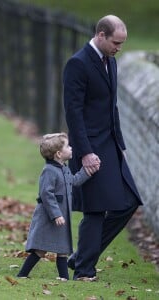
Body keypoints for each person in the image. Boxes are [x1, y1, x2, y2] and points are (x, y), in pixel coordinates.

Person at [63, 15, 143, 281]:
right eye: (116, 42)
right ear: (101, 35)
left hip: (110, 145)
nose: (119, 47)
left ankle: (81, 257)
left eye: (121, 43)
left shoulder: (112, 62)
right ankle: (84, 272)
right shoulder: (78, 63)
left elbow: (111, 106)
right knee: (95, 209)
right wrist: (85, 153)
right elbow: (73, 113)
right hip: (89, 147)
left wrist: (120, 143)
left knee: (129, 201)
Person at [17, 133, 98, 280]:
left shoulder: (64, 168)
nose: (71, 148)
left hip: (61, 217)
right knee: (41, 249)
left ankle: (64, 278)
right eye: (68, 146)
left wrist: (87, 171)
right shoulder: (49, 171)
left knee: (62, 249)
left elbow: (73, 181)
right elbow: (46, 194)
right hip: (49, 217)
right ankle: (22, 274)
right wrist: (56, 214)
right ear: (59, 154)